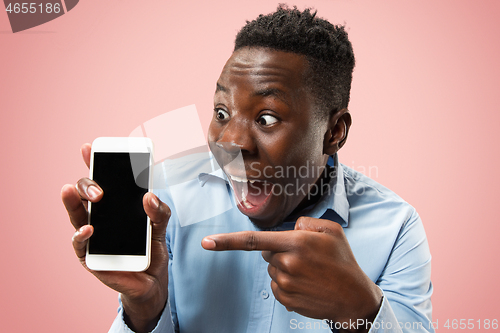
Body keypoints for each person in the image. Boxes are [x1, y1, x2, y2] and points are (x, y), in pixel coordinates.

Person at [61, 5, 433, 333]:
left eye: (267, 118)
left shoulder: (395, 228)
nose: (232, 142)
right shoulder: (165, 204)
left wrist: (360, 313)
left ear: (333, 132)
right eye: (222, 113)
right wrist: (143, 311)